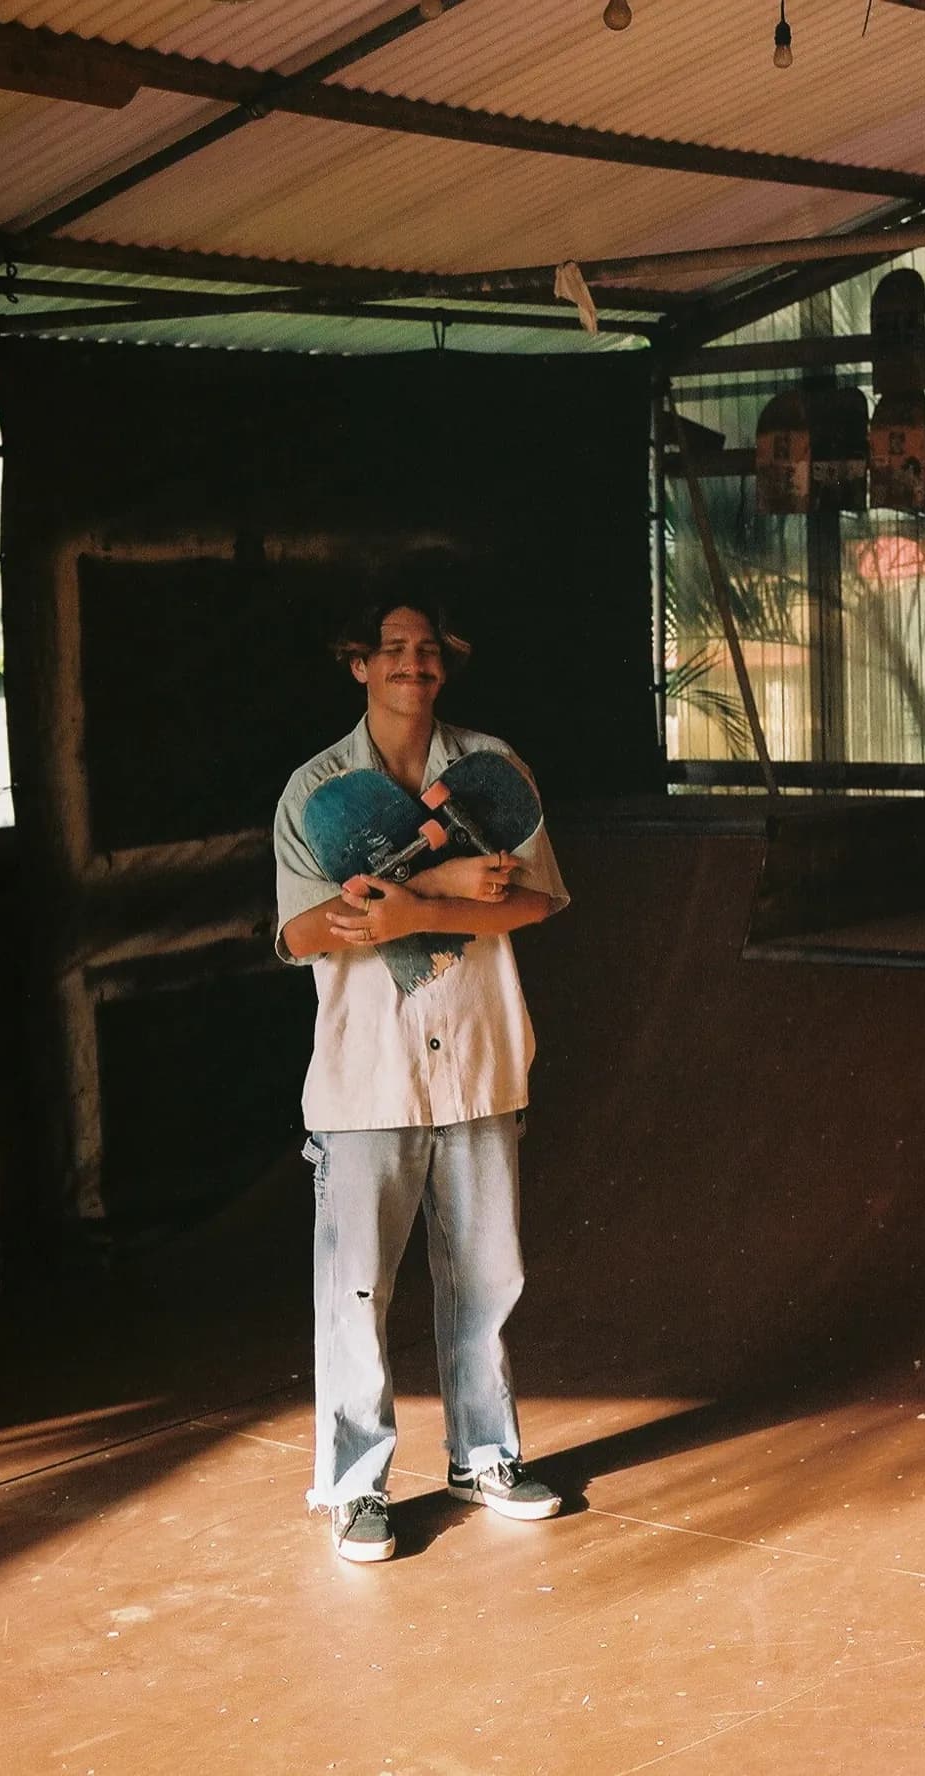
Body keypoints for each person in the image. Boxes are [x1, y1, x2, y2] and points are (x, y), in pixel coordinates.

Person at [273, 565, 569, 1563]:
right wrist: (435, 873)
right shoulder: (315, 790)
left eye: (429, 649)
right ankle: (357, 1488)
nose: (414, 663)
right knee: (357, 1290)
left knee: (487, 1278)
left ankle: (485, 1456)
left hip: (482, 1060)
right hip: (366, 1079)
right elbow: (308, 932)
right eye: (394, 648)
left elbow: (534, 899)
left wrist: (428, 907)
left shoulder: (491, 763)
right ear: (359, 664)